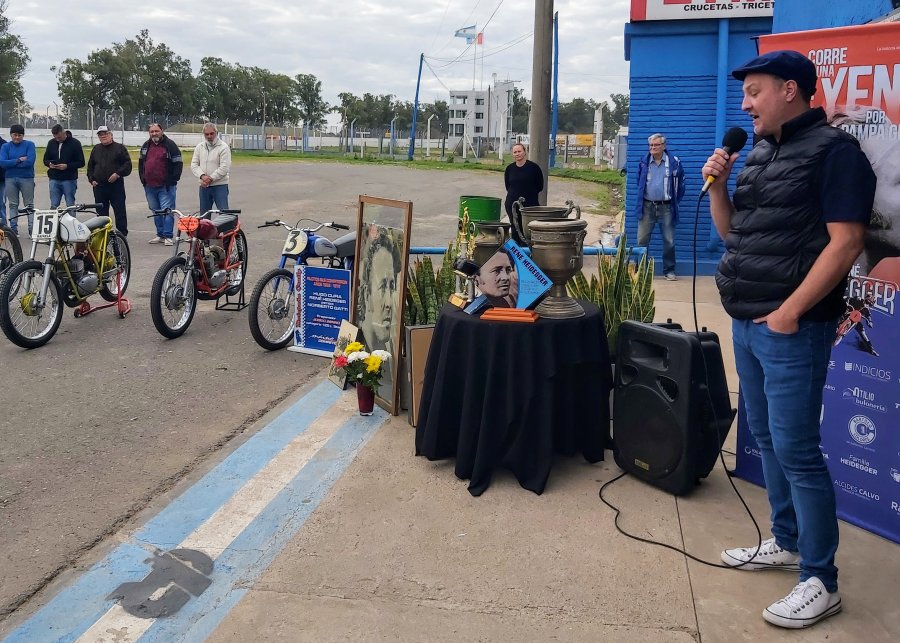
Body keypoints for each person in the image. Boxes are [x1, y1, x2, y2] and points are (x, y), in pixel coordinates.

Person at [702, 50, 876, 629]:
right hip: (746, 318)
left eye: (754, 92)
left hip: (789, 328)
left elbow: (847, 241)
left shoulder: (836, 154)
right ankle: (785, 540)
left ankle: (821, 581)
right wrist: (721, 188)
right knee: (771, 441)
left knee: (798, 451)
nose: (745, 104)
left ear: (792, 91)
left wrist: (789, 312)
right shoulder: (759, 152)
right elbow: (734, 235)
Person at [357, 225, 402, 397]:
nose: (390, 303)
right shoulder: (360, 351)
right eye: (383, 287)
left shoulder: (386, 356)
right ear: (366, 292)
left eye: (392, 287)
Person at [634, 133, 685, 281]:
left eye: (656, 145)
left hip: (667, 207)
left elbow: (681, 185)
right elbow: (639, 183)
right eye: (651, 145)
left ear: (664, 146)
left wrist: (674, 201)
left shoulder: (674, 162)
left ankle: (669, 270)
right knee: (642, 240)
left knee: (669, 240)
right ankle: (641, 271)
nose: (653, 148)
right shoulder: (644, 162)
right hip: (647, 205)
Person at [139, 122, 183, 246]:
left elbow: (178, 162)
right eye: (152, 132)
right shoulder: (146, 146)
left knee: (167, 210)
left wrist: (174, 179)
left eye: (156, 131)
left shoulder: (170, 145)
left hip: (166, 186)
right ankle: (160, 235)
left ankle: (168, 236)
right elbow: (141, 163)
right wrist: (143, 178)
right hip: (149, 186)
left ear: (162, 131)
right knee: (155, 211)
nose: (154, 134)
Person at [87, 126, 132, 236]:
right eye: (100, 135)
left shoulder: (120, 148)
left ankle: (122, 233)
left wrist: (117, 174)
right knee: (101, 212)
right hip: (99, 186)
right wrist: (91, 179)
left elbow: (127, 164)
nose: (103, 136)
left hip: (115, 186)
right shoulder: (96, 149)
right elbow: (90, 166)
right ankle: (103, 233)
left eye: (105, 134)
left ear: (111, 134)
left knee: (119, 210)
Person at [504, 142, 543, 244]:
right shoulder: (509, 169)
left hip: (530, 205)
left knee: (529, 229)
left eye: (519, 151)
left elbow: (540, 186)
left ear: (524, 152)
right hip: (512, 205)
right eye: (515, 152)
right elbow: (508, 186)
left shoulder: (534, 168)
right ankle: (518, 252)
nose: (517, 154)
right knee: (515, 228)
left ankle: (530, 252)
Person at [0, 124, 36, 236]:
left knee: (29, 204)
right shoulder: (6, 146)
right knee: (13, 205)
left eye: (19, 135)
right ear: (11, 135)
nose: (17, 137)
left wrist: (12, 163)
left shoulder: (29, 145)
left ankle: (32, 229)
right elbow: (2, 163)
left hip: (27, 178)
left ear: (23, 135)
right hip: (10, 179)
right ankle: (14, 230)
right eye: (15, 135)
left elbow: (30, 162)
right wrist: (19, 160)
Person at [191, 123, 232, 213]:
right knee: (204, 216)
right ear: (204, 134)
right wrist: (202, 176)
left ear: (216, 133)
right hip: (204, 186)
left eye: (212, 133)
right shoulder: (199, 147)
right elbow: (194, 164)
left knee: (224, 214)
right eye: (207, 134)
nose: (209, 136)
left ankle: (226, 228)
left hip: (220, 185)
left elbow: (224, 167)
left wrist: (211, 178)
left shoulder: (223, 147)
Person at [44, 124, 85, 209]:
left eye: (59, 137)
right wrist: (49, 164)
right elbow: (45, 159)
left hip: (69, 179)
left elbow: (81, 162)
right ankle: (55, 221)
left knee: (70, 204)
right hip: (54, 178)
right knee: (54, 205)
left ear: (64, 133)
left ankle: (71, 222)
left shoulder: (75, 143)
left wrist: (67, 166)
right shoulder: (51, 143)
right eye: (55, 137)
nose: (57, 139)